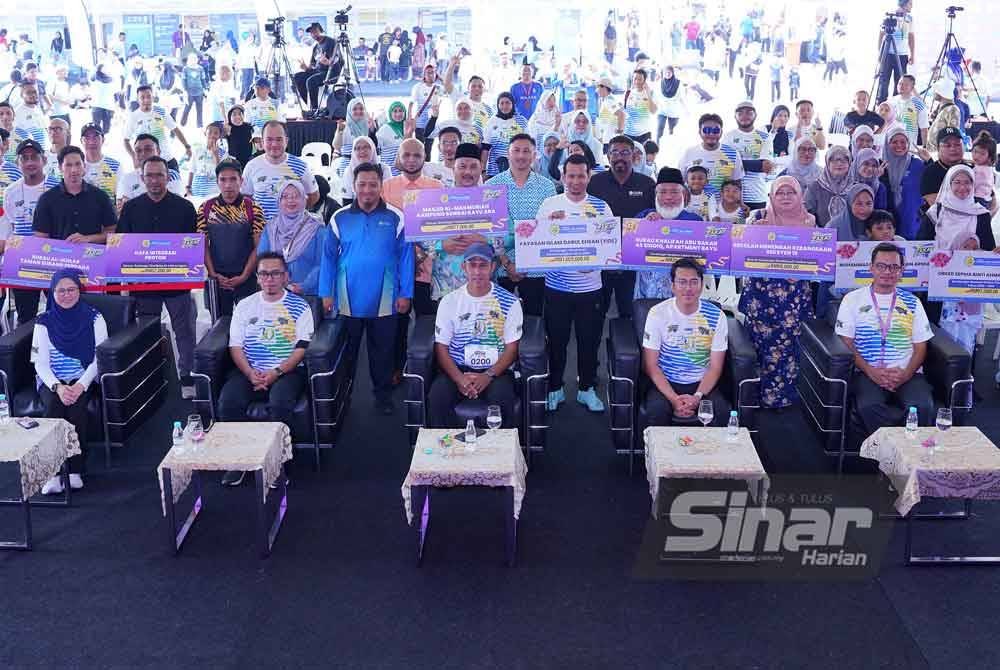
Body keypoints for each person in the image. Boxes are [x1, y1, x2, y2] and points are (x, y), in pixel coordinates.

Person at [320, 163, 413, 415]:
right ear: (354, 185)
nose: (367, 189)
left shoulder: (397, 216)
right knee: (346, 353)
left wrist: (406, 294)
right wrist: (325, 293)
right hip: (346, 297)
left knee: (382, 352)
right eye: (362, 184)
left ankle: (383, 397)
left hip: (386, 297)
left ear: (381, 186)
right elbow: (328, 257)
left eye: (373, 184)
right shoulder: (339, 217)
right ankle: (344, 396)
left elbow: (406, 258)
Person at [219, 251, 315, 486]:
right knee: (228, 402)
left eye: (275, 274)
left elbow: (301, 348)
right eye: (264, 274)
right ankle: (239, 462)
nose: (269, 279)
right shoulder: (245, 305)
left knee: (280, 404)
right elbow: (235, 346)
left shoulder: (300, 306)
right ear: (257, 277)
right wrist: (250, 373)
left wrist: (277, 373)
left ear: (285, 276)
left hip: (286, 372)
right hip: (250, 370)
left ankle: (278, 464)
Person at [116, 156, 199, 398]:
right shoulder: (131, 208)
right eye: (149, 176)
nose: (154, 180)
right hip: (143, 285)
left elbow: (191, 246)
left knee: (184, 331)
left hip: (178, 284)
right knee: (146, 331)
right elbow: (122, 244)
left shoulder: (184, 207)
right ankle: (150, 377)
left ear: (168, 177)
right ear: (142, 178)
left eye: (159, 175)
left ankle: (188, 376)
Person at [536, 155, 609, 413]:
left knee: (589, 341)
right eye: (571, 176)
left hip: (591, 288)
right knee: (556, 341)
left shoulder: (601, 207)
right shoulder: (549, 204)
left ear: (589, 176)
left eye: (581, 175)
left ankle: (586, 389)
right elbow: (537, 243)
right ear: (563, 176)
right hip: (557, 287)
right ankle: (554, 388)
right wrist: (547, 225)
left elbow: (608, 248)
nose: (576, 181)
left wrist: (596, 262)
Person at [836, 242, 934, 435]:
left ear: (901, 271)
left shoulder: (912, 302)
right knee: (868, 407)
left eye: (894, 267)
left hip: (906, 372)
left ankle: (910, 456)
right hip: (866, 371)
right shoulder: (852, 300)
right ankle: (889, 455)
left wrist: (905, 374)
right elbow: (846, 343)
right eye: (881, 266)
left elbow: (921, 346)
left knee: (922, 406)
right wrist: (871, 371)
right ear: (871, 268)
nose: (887, 271)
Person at [737, 176, 815, 409]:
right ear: (771, 196)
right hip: (762, 295)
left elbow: (817, 257)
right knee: (759, 346)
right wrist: (753, 232)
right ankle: (754, 401)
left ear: (800, 195)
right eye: (780, 193)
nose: (785, 197)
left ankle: (786, 401)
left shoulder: (810, 221)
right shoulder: (757, 217)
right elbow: (742, 251)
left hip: (794, 296)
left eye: (791, 192)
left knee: (790, 348)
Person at [427, 242, 522, 429]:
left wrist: (488, 375)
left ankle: (500, 455)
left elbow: (512, 349)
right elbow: (441, 348)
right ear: (464, 267)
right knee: (437, 396)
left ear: (493, 267)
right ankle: (446, 454)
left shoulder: (509, 302)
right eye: (472, 265)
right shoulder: (449, 302)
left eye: (483, 265)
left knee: (502, 397)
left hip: (496, 371)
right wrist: (459, 378)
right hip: (457, 368)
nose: (477, 272)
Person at [33, 269, 109, 495]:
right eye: (60, 291)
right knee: (52, 410)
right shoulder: (43, 322)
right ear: (52, 293)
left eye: (71, 289)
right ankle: (52, 473)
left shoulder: (95, 317)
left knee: (76, 409)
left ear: (79, 290)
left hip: (82, 376)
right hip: (52, 380)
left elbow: (99, 359)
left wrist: (80, 385)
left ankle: (75, 470)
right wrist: (57, 387)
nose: (66, 295)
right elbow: (40, 364)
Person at [642, 257, 730, 426]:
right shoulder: (657, 313)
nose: (688, 288)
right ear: (672, 285)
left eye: (693, 282)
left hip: (701, 383)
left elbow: (715, 366)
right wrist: (674, 399)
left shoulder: (717, 316)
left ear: (701, 285)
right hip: (667, 381)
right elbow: (651, 366)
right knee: (656, 411)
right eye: (682, 282)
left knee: (721, 412)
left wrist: (697, 397)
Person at [918, 164, 997, 345]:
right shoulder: (935, 212)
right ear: (948, 184)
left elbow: (987, 250)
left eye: (968, 182)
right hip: (938, 285)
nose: (963, 187)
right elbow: (922, 247)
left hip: (968, 286)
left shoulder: (981, 215)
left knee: (966, 339)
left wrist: (988, 250)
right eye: (957, 182)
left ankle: (964, 373)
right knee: (937, 337)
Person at [485, 133, 556, 317]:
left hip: (535, 270)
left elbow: (548, 229)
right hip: (500, 267)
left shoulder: (547, 187)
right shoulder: (492, 185)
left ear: (534, 155)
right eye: (516, 150)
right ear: (508, 154)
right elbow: (491, 229)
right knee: (500, 320)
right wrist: (507, 263)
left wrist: (526, 264)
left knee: (535, 320)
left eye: (526, 151)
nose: (521, 155)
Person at [587, 134, 655, 318]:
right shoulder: (594, 182)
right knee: (596, 313)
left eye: (625, 152)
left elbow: (656, 219)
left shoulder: (647, 184)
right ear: (608, 156)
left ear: (634, 156)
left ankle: (627, 345)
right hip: (602, 258)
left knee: (630, 312)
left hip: (633, 260)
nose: (619, 156)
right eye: (614, 152)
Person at [382, 137, 444, 318]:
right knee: (396, 327)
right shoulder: (386, 187)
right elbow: (384, 229)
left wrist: (421, 256)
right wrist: (406, 260)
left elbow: (440, 228)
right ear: (398, 157)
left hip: (427, 268)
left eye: (417, 155)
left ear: (424, 157)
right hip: (396, 269)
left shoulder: (436, 187)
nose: (411, 159)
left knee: (428, 323)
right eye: (406, 155)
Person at [197, 159, 265, 316]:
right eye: (223, 179)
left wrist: (244, 275)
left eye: (233, 179)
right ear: (217, 182)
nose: (228, 184)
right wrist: (213, 274)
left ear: (241, 181)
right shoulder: (206, 208)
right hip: (217, 279)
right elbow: (202, 245)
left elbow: (259, 247)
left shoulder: (253, 208)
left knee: (250, 323)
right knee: (219, 325)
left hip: (247, 278)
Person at [426, 143, 487, 301]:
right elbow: (419, 236)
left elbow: (508, 235)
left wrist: (485, 240)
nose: (467, 172)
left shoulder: (491, 200)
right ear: (453, 168)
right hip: (444, 287)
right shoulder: (437, 200)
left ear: (481, 169)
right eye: (462, 166)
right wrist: (441, 245)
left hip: (482, 286)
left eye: (473, 167)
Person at [256, 180, 327, 298]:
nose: (290, 200)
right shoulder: (270, 228)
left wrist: (303, 286)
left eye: (296, 196)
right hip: (276, 294)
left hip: (309, 295)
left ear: (304, 199)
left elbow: (323, 263)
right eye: (285, 196)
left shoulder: (317, 228)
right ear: (279, 201)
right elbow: (262, 260)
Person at [240, 121, 319, 221]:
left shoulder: (300, 166)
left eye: (279, 139)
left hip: (292, 231)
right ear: (262, 142)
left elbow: (314, 195)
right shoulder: (251, 166)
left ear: (286, 141)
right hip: (261, 231)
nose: (274, 144)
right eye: (269, 139)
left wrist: (296, 212)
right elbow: (245, 197)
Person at [124, 86, 192, 172]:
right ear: (138, 100)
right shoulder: (133, 117)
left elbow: (175, 129)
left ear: (153, 97)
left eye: (149, 96)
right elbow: (126, 140)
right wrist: (134, 157)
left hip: (167, 159)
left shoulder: (161, 111)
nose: (146, 100)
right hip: (146, 164)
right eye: (142, 97)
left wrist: (187, 146)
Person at [679, 113, 745, 200]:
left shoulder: (733, 153)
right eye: (706, 130)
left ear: (721, 132)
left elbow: (737, 182)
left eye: (716, 130)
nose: (711, 134)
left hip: (722, 209)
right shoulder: (689, 153)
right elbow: (680, 182)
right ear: (699, 132)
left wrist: (741, 203)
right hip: (693, 208)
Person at [724, 101, 774, 210]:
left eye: (749, 112)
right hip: (733, 196)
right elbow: (726, 166)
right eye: (740, 113)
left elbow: (766, 167)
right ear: (735, 116)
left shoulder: (765, 137)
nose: (744, 116)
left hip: (757, 196)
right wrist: (757, 164)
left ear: (755, 115)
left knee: (756, 226)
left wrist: (736, 162)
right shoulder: (728, 136)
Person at [880, 127, 927, 239]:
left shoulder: (917, 164)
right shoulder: (880, 165)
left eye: (903, 142)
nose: (899, 145)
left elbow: (934, 184)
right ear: (887, 143)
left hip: (912, 223)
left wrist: (929, 161)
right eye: (894, 142)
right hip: (886, 225)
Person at [116, 134, 185, 210]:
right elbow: (124, 209)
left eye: (148, 149)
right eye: (138, 151)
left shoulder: (171, 175)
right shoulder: (127, 179)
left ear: (158, 151)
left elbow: (175, 206)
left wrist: (135, 206)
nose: (143, 154)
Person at [876, 0, 915, 103]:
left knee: (900, 83)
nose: (912, 6)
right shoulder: (889, 17)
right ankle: (880, 105)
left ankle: (897, 106)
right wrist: (880, 53)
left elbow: (911, 36)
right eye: (910, 3)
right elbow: (881, 35)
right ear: (904, 4)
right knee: (883, 82)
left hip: (902, 55)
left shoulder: (909, 19)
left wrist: (912, 54)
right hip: (888, 54)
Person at [482, 92, 529, 178]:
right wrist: (483, 170)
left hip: (517, 168)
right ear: (498, 105)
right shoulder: (491, 121)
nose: (505, 106)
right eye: (502, 103)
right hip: (494, 169)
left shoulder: (521, 121)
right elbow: (485, 148)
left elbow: (528, 146)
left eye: (508, 103)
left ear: (513, 104)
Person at [920, 127, 969, 207]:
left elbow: (992, 201)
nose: (953, 148)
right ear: (938, 149)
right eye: (947, 145)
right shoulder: (930, 172)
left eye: (957, 144)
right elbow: (938, 205)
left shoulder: (972, 169)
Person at [805, 145, 852, 227]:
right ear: (827, 163)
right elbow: (806, 215)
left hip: (851, 236)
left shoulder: (856, 187)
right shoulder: (815, 187)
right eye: (834, 160)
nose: (839, 163)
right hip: (822, 236)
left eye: (844, 160)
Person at [294, 23, 337, 111]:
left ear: (321, 31)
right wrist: (306, 68)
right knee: (297, 77)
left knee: (311, 81)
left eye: (315, 31)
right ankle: (310, 106)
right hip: (318, 72)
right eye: (311, 32)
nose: (313, 34)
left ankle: (315, 109)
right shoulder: (316, 47)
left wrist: (328, 62)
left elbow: (339, 59)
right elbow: (312, 66)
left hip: (330, 72)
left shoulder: (331, 42)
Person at [339, 136, 393, 205]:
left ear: (373, 149)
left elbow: (388, 197)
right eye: (358, 148)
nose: (362, 151)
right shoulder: (349, 171)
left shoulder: (384, 169)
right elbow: (347, 200)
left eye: (366, 147)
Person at [79, 122, 121, 205]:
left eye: (96, 137)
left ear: (103, 140)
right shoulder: (76, 165)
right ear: (81, 141)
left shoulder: (115, 166)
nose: (91, 142)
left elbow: (120, 196)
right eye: (87, 138)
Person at [333, 97, 375, 177]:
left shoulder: (368, 124)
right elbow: (337, 146)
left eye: (361, 109)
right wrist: (340, 132)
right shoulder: (344, 126)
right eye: (355, 109)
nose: (358, 111)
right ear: (349, 111)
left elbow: (374, 147)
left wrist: (372, 130)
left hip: (365, 166)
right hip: (347, 166)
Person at [186, 122, 225, 202]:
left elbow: (222, 173)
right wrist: (188, 187)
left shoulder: (224, 154)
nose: (212, 135)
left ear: (220, 136)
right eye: (210, 132)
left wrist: (216, 155)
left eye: (216, 133)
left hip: (214, 194)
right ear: (205, 133)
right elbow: (192, 170)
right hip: (196, 192)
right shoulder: (197, 150)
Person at [409, 64, 440, 160]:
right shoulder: (418, 87)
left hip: (432, 122)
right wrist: (410, 118)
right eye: (428, 72)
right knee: (420, 149)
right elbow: (411, 103)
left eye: (433, 72)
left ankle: (427, 170)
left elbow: (449, 87)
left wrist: (441, 78)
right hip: (420, 123)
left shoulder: (438, 88)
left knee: (429, 149)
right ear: (424, 75)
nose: (431, 75)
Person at [243, 79, 285, 148]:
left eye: (261, 88)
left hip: (272, 138)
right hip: (255, 140)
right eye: (256, 88)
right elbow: (246, 123)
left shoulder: (276, 104)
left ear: (268, 90)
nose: (258, 91)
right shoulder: (249, 104)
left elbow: (281, 122)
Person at [888, 74, 928, 147]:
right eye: (900, 83)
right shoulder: (891, 101)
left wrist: (925, 146)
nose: (901, 86)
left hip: (909, 148)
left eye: (906, 84)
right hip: (891, 145)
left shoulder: (919, 105)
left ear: (912, 88)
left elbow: (924, 128)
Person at [375, 100, 409, 176]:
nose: (398, 114)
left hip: (404, 173)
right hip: (389, 173)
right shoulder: (385, 128)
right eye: (395, 111)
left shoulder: (407, 127)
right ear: (390, 113)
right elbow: (375, 145)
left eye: (401, 111)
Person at [622, 69, 657, 143]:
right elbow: (624, 112)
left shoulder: (650, 93)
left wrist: (648, 94)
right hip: (628, 134)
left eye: (640, 79)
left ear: (644, 80)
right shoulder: (628, 93)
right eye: (635, 79)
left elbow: (653, 111)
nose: (637, 82)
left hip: (644, 134)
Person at [594, 77, 625, 150]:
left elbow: (621, 114)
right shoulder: (609, 99)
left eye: (598, 87)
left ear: (604, 88)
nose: (597, 91)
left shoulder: (609, 101)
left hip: (609, 139)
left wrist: (620, 131)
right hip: (609, 138)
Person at [656, 66, 682, 142]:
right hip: (662, 110)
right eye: (665, 72)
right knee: (659, 128)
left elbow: (681, 98)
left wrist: (686, 109)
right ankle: (657, 148)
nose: (667, 74)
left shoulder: (678, 83)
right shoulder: (660, 83)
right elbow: (656, 96)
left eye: (669, 72)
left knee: (672, 131)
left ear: (672, 73)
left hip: (674, 111)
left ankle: (671, 147)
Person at [224, 105, 254, 169]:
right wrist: (227, 133)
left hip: (248, 161)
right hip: (233, 163)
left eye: (240, 114)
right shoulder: (228, 129)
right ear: (230, 117)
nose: (237, 117)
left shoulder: (249, 127)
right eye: (234, 114)